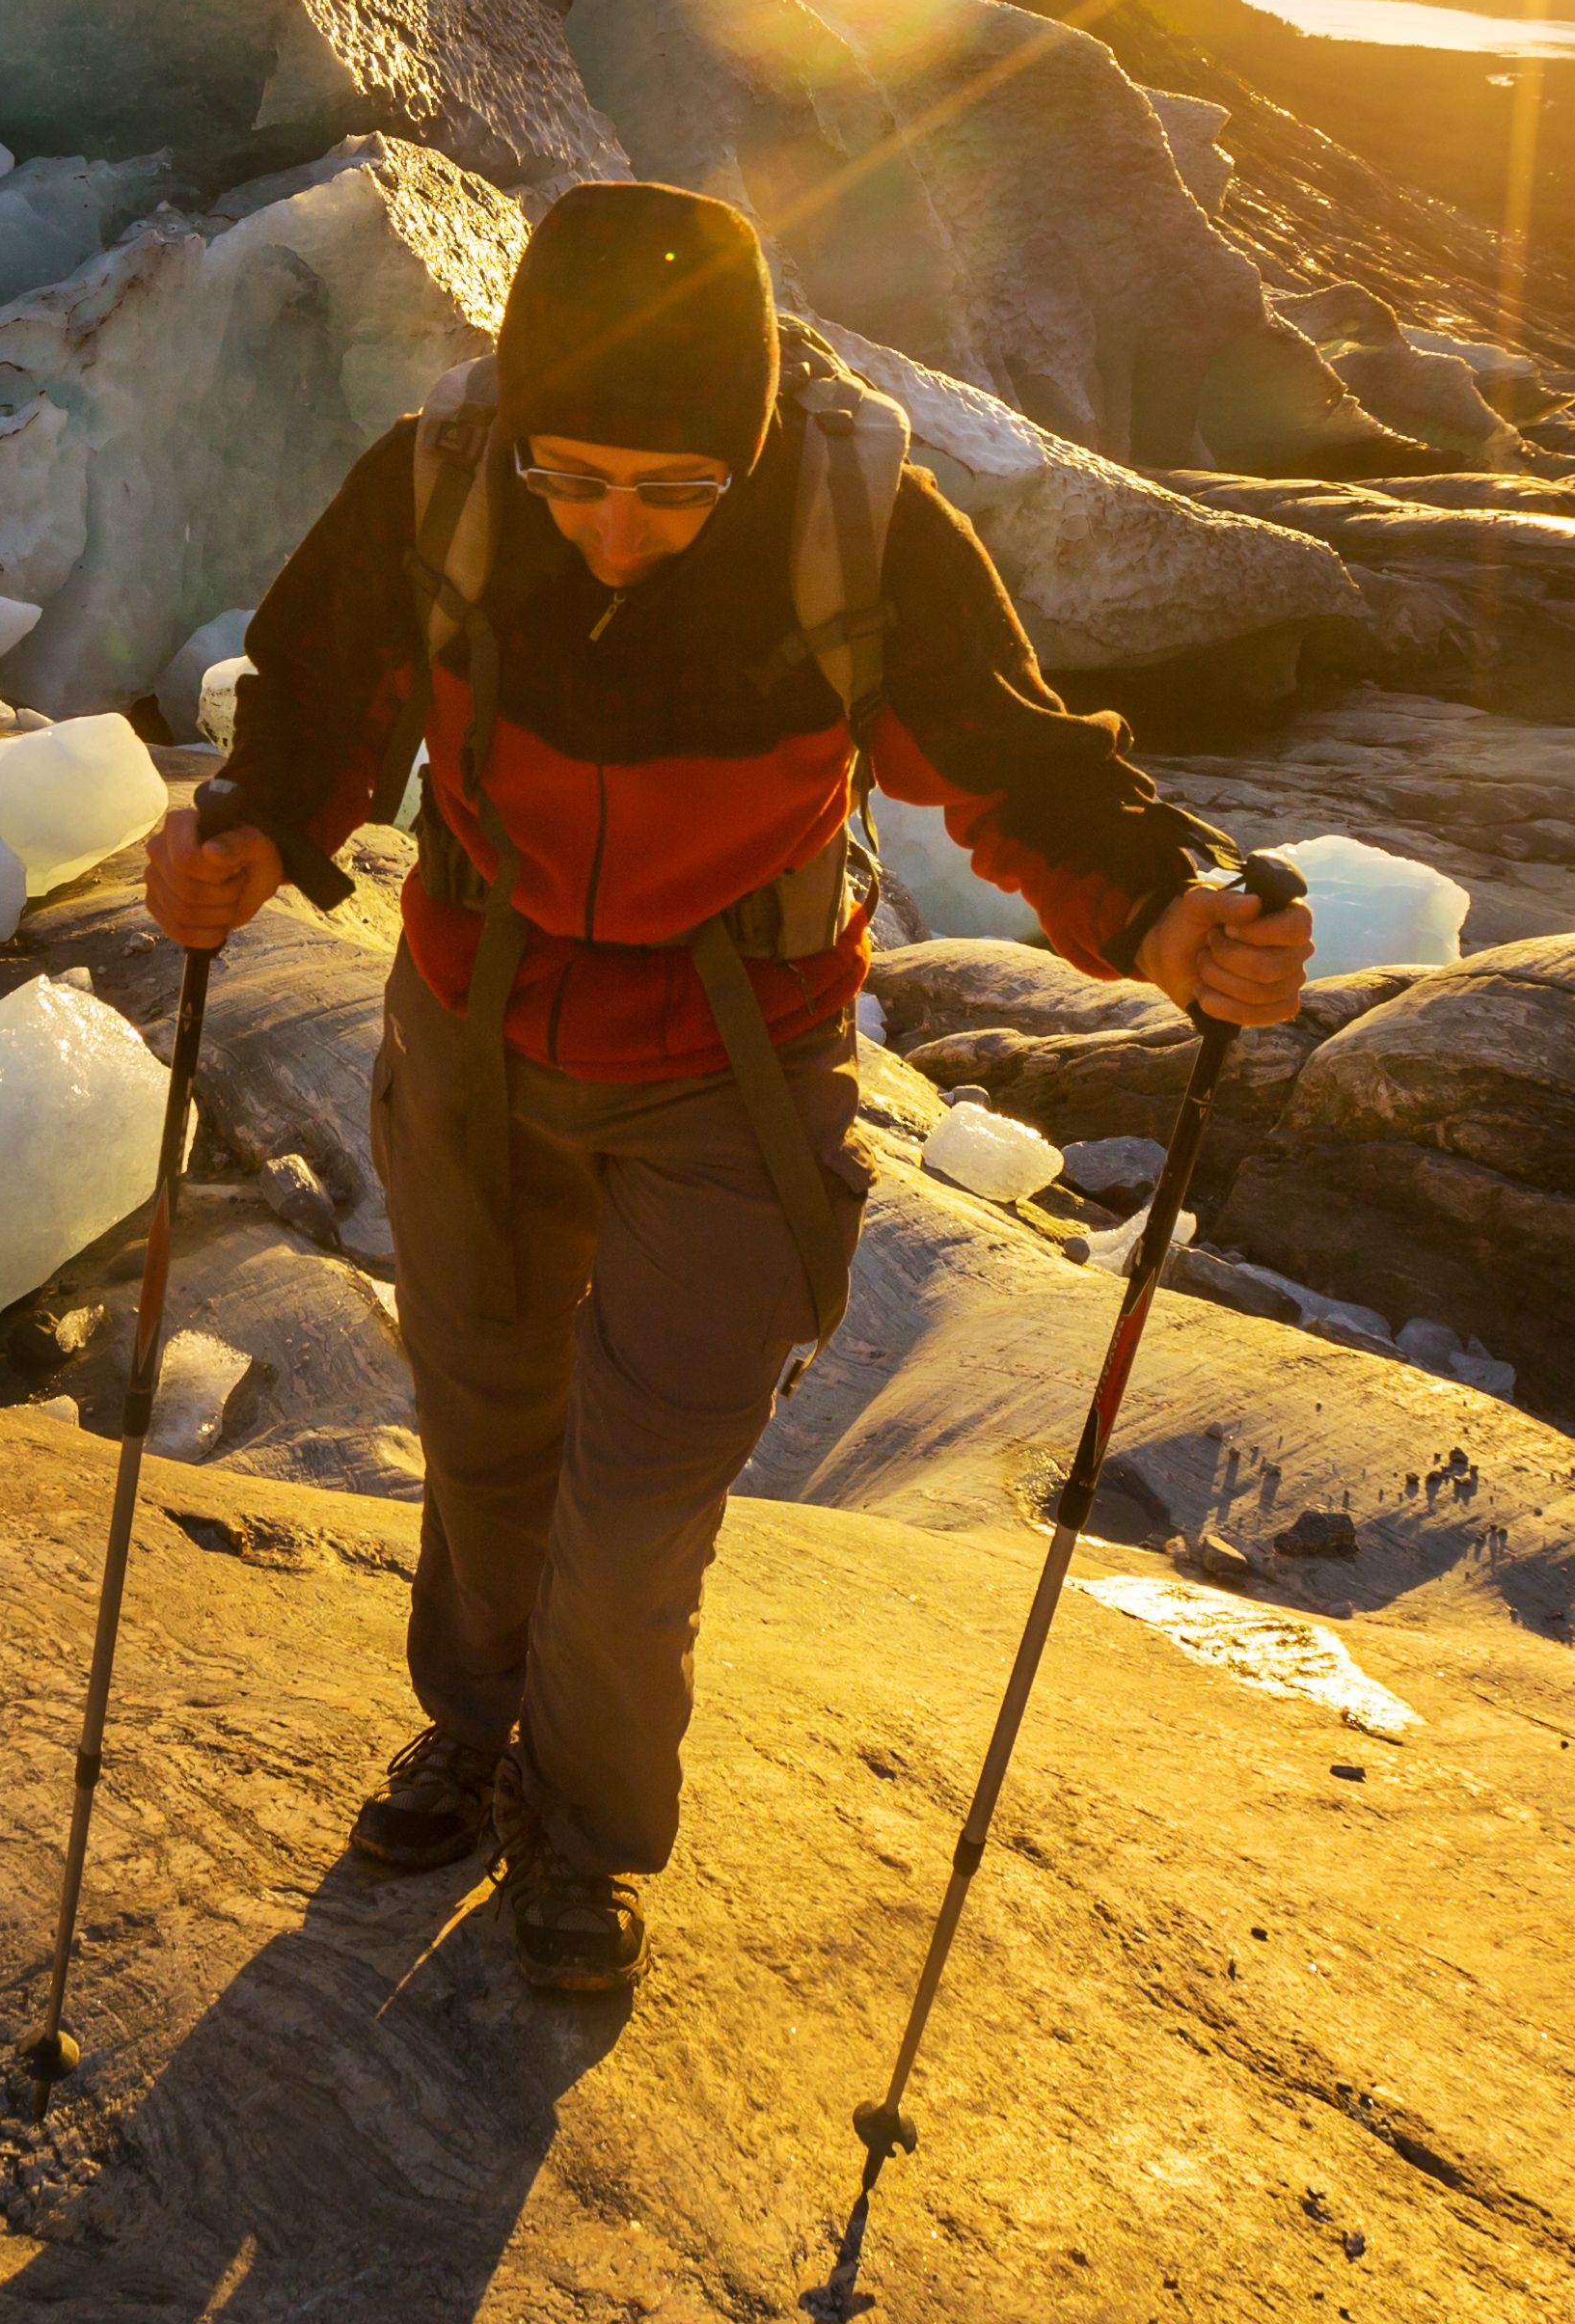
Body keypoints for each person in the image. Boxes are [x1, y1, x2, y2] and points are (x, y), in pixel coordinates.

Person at [145, 179, 1311, 1996]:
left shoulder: (859, 531)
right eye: (578, 478)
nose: (618, 531)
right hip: (473, 1025)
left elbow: (1014, 760)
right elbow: (315, 703)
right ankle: (476, 1724)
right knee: (484, 1419)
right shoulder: (442, 484)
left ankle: (589, 1833)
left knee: (635, 1505)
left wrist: (1163, 914)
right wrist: (242, 832)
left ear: (748, 449)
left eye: (676, 489)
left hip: (733, 1070)